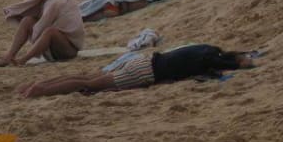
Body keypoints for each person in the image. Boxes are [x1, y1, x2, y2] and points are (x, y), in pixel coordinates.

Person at [17, 44, 255, 98]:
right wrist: (240, 64)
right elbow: (227, 65)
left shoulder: (207, 48)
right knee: (88, 84)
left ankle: (39, 85)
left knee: (88, 78)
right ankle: (40, 91)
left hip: (144, 60)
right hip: (145, 72)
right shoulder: (210, 58)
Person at [0, 0, 85, 66]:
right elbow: (24, 9)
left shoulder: (55, 2)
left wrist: (34, 38)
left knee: (50, 31)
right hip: (54, 48)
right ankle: (9, 56)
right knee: (27, 20)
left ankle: (23, 60)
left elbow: (42, 26)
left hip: (69, 50)